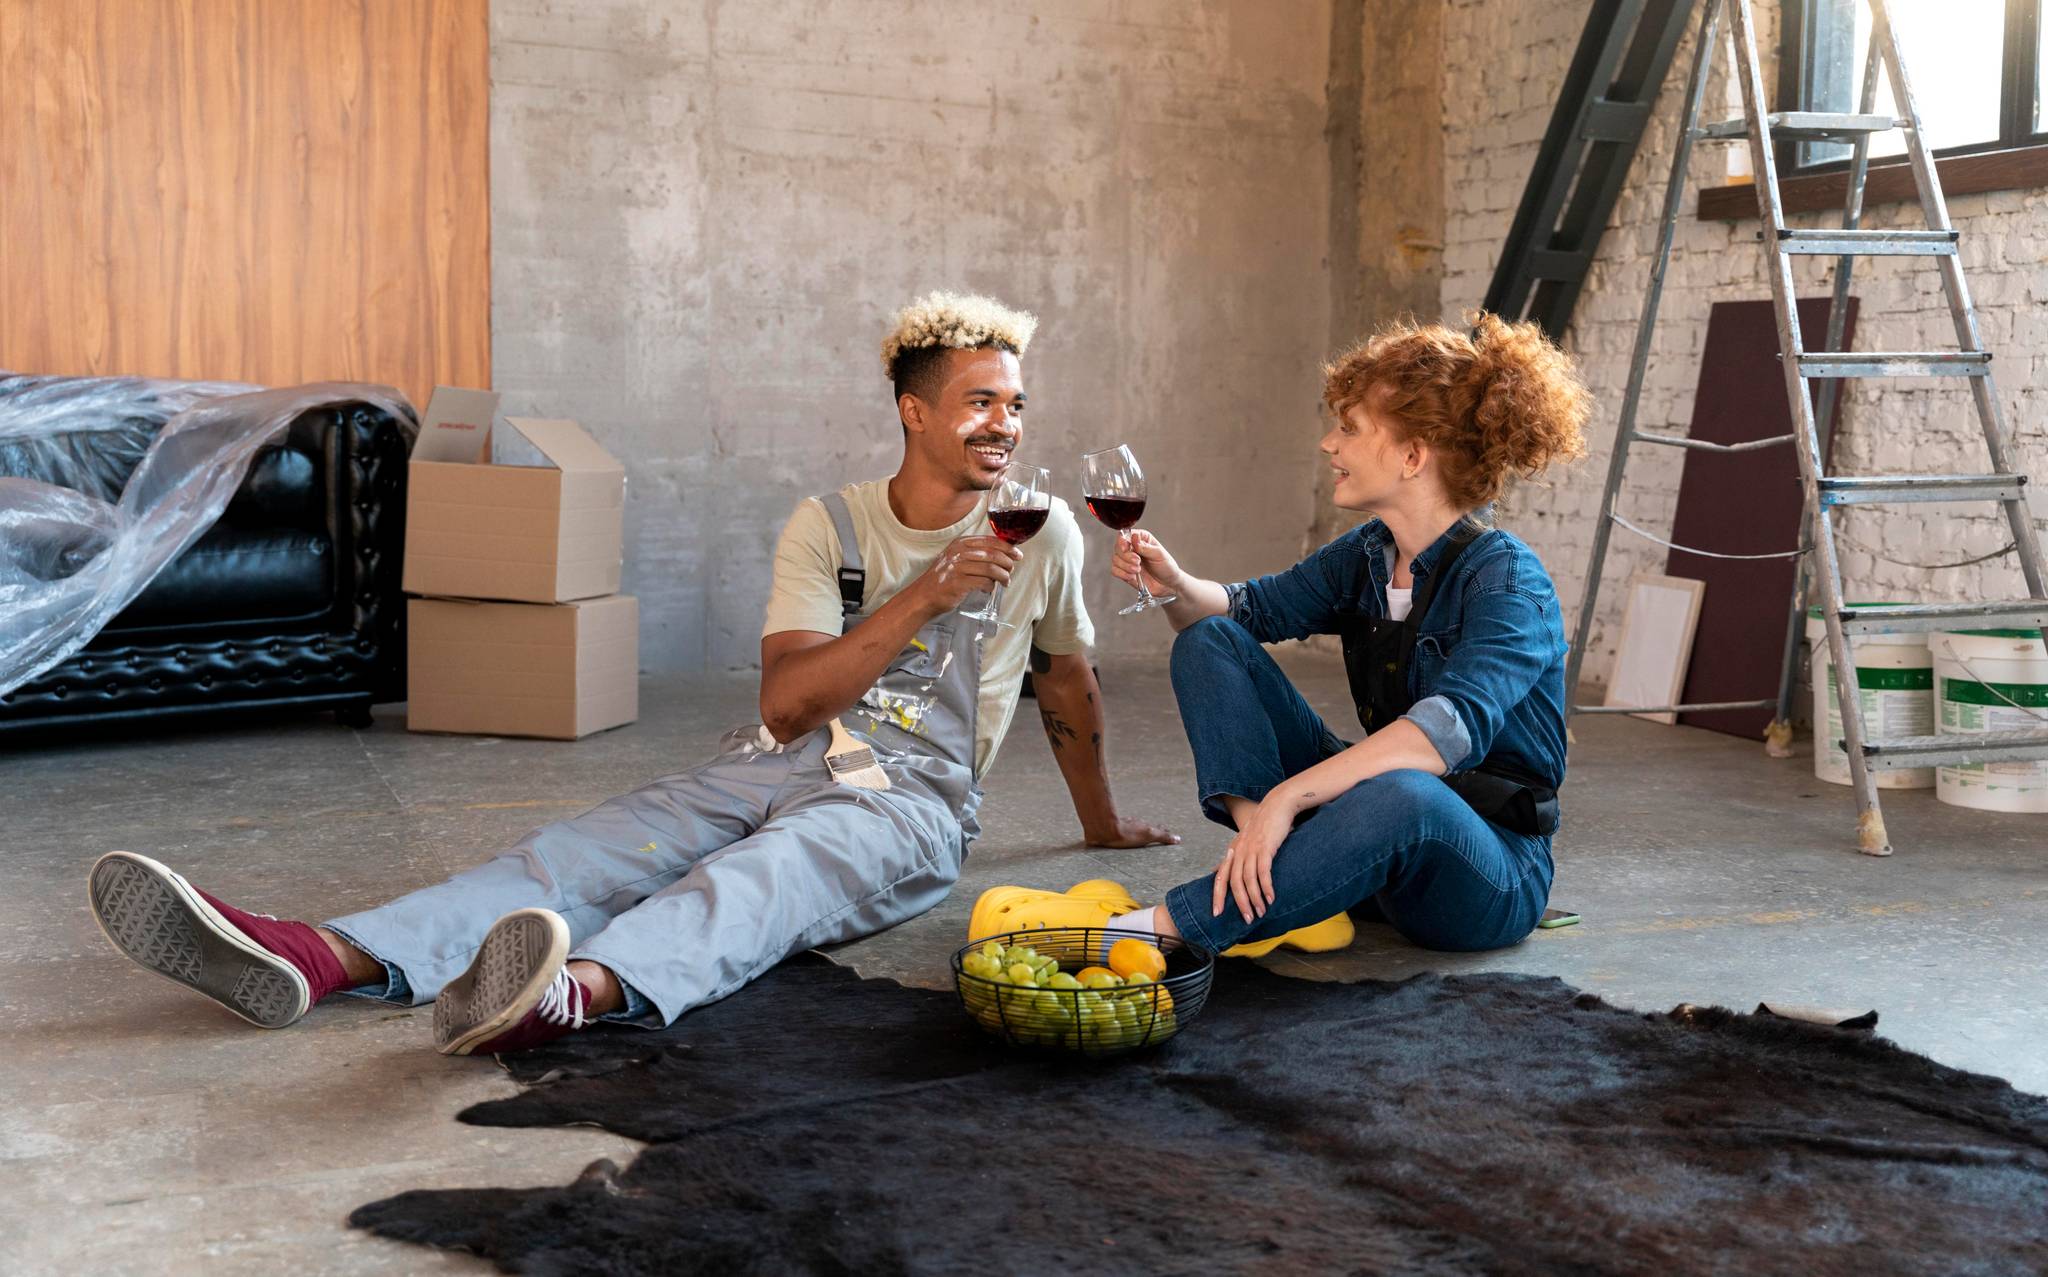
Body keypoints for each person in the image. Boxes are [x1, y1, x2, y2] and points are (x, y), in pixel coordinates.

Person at [88, 291, 1176, 1055]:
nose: (1007, 424)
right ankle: (327, 956)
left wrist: (1102, 825)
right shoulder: (829, 525)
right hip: (773, 755)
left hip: (910, 800)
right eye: (982, 400)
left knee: (767, 877)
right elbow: (785, 703)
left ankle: (565, 994)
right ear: (916, 410)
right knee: (577, 854)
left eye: (1018, 403)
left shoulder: (1043, 537)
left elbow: (1065, 681)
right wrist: (926, 591)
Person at [972, 314, 1589, 962]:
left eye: (1350, 428)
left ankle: (1162, 928)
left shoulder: (1510, 580)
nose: (1330, 443)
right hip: (1370, 825)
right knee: (1208, 639)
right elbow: (1247, 610)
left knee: (1406, 790)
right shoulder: (1369, 554)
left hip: (1488, 870)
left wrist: (1289, 797)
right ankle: (1262, 863)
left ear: (1413, 456)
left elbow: (1441, 736)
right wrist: (1174, 582)